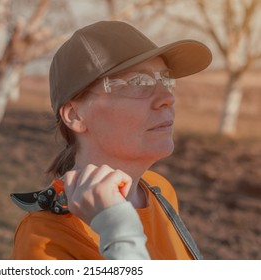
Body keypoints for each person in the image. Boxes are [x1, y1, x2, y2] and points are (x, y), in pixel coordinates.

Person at [12, 20, 212, 260]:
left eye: (166, 80)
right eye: (138, 82)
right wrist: (118, 230)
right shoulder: (45, 237)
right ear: (75, 115)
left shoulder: (157, 189)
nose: (167, 97)